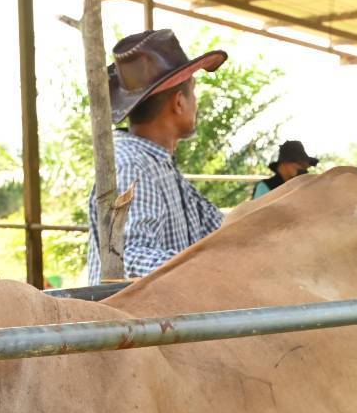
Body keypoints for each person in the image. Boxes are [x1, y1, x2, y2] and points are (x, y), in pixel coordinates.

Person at [87, 30, 226, 285]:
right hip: (137, 322)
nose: (196, 103)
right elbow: (130, 256)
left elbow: (216, 225)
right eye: (193, 92)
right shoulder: (132, 166)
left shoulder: (160, 164)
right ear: (179, 102)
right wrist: (210, 270)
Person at [252, 139, 319, 199]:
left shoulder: (301, 187)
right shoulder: (264, 187)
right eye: (300, 164)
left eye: (306, 167)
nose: (304, 169)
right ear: (285, 162)